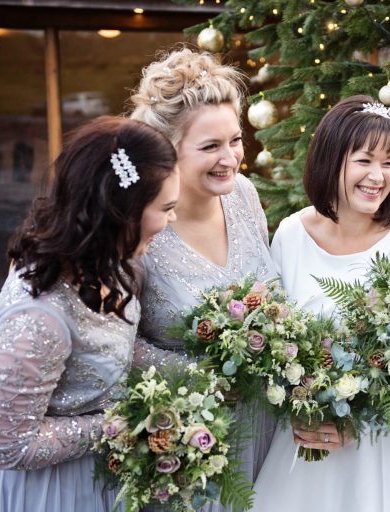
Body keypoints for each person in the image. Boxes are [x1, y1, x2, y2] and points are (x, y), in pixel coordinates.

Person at [0, 116, 181, 512]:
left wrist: (197, 375)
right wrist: (124, 423)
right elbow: (3, 446)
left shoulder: (116, 265)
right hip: (40, 491)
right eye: (165, 208)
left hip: (93, 476)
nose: (171, 220)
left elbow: (112, 352)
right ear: (121, 211)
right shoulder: (37, 318)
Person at [249, 96, 390, 512]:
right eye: (364, 160)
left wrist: (358, 418)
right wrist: (302, 404)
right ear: (331, 159)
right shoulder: (290, 234)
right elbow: (273, 337)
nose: (379, 176)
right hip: (308, 439)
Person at [128, 47, 277, 502]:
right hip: (187, 437)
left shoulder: (244, 196)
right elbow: (116, 342)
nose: (230, 158)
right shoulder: (140, 224)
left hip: (265, 428)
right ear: (166, 150)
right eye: (210, 146)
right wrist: (202, 376)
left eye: (235, 140)